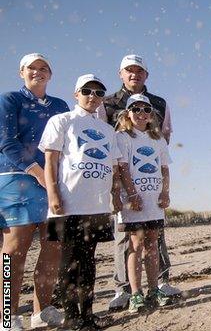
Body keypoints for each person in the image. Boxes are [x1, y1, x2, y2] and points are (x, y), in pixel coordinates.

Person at [96, 54, 180, 310]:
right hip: (121, 179)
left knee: (155, 236)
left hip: (151, 178)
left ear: (146, 74)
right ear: (120, 74)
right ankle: (124, 288)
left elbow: (165, 135)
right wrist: (116, 188)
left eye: (139, 70)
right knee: (127, 239)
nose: (134, 74)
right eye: (129, 70)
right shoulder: (108, 102)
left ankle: (160, 282)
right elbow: (102, 137)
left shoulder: (159, 103)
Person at [39, 74, 120, 329]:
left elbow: (114, 167)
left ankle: (87, 314)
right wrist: (53, 193)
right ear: (76, 94)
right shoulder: (62, 121)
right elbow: (50, 160)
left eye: (98, 92)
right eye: (87, 91)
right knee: (69, 261)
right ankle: (71, 317)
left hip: (96, 205)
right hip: (69, 203)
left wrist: (113, 196)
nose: (92, 97)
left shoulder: (108, 130)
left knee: (88, 262)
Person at [0, 53, 67, 330]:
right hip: (18, 182)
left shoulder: (61, 105)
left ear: (50, 74)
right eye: (32, 68)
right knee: (15, 248)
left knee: (53, 244)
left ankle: (42, 311)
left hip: (53, 186)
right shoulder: (10, 100)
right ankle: (8, 315)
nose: (37, 72)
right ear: (21, 73)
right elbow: (6, 141)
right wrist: (39, 173)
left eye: (43, 68)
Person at [114, 94, 172, 312]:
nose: (141, 114)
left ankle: (154, 289)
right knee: (135, 245)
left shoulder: (158, 140)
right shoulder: (122, 137)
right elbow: (122, 168)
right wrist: (131, 195)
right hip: (134, 202)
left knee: (153, 245)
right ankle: (135, 293)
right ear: (128, 113)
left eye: (146, 110)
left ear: (151, 115)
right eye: (136, 109)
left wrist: (165, 194)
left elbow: (165, 169)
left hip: (154, 200)